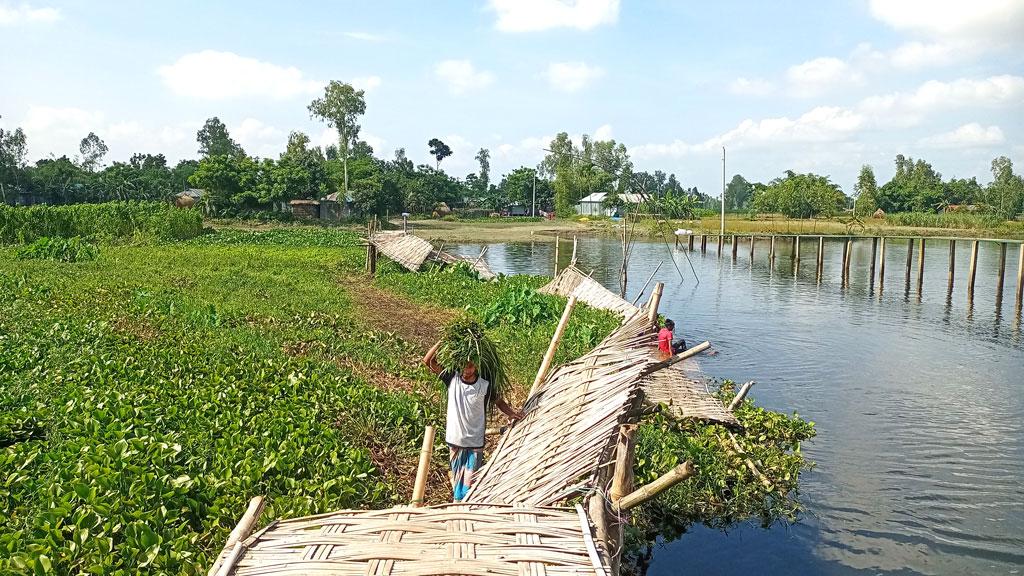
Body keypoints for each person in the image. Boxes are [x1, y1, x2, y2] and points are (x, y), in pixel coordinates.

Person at [423, 340, 523, 502]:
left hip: (475, 442)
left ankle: (463, 506)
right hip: (455, 440)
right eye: (463, 365)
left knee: (470, 482)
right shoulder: (452, 379)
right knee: (458, 479)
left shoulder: (484, 386)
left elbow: (498, 401)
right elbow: (428, 361)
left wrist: (511, 413)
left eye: (469, 366)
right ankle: (458, 507)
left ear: (476, 367)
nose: (466, 369)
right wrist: (443, 341)